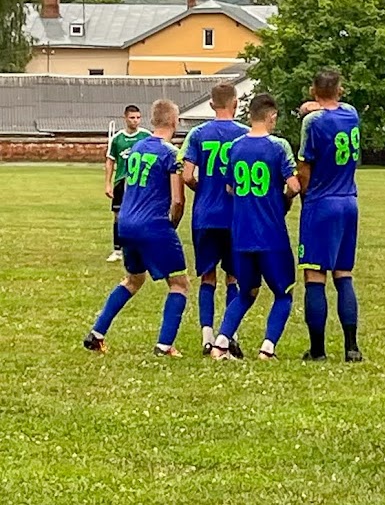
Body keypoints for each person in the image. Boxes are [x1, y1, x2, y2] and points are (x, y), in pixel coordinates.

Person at [84, 99, 189, 357]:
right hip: (153, 225)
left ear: (152, 121)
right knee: (179, 284)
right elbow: (177, 200)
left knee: (133, 280)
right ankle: (165, 345)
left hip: (127, 223)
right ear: (175, 122)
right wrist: (171, 226)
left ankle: (97, 333)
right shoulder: (170, 154)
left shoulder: (138, 147)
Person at [210, 94, 301, 361]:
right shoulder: (278, 146)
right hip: (270, 233)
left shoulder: (235, 147)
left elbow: (229, 187)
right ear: (271, 116)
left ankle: (220, 343)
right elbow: (294, 185)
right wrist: (284, 198)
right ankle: (267, 348)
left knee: (246, 292)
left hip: (241, 233)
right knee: (284, 293)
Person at [297, 69, 363, 362]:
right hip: (349, 200)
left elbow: (304, 167)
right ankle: (352, 347)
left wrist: (305, 198)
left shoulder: (312, 121)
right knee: (343, 274)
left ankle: (318, 349)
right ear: (341, 89)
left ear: (313, 91)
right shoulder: (352, 115)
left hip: (321, 202)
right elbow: (339, 105)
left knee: (314, 275)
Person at [179, 83, 249, 357]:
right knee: (234, 277)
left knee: (207, 277)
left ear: (210, 104)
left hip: (205, 215)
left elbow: (186, 175)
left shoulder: (198, 133)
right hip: (235, 217)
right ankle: (228, 335)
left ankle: (207, 336)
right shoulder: (245, 134)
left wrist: (204, 188)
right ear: (236, 103)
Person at [105, 105, 151, 262]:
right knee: (118, 216)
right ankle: (117, 250)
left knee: (141, 214)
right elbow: (110, 161)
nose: (135, 121)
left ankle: (141, 248)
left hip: (139, 183)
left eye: (138, 117)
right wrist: (108, 184)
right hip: (121, 181)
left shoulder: (146, 136)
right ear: (125, 118)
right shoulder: (117, 138)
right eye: (132, 118)